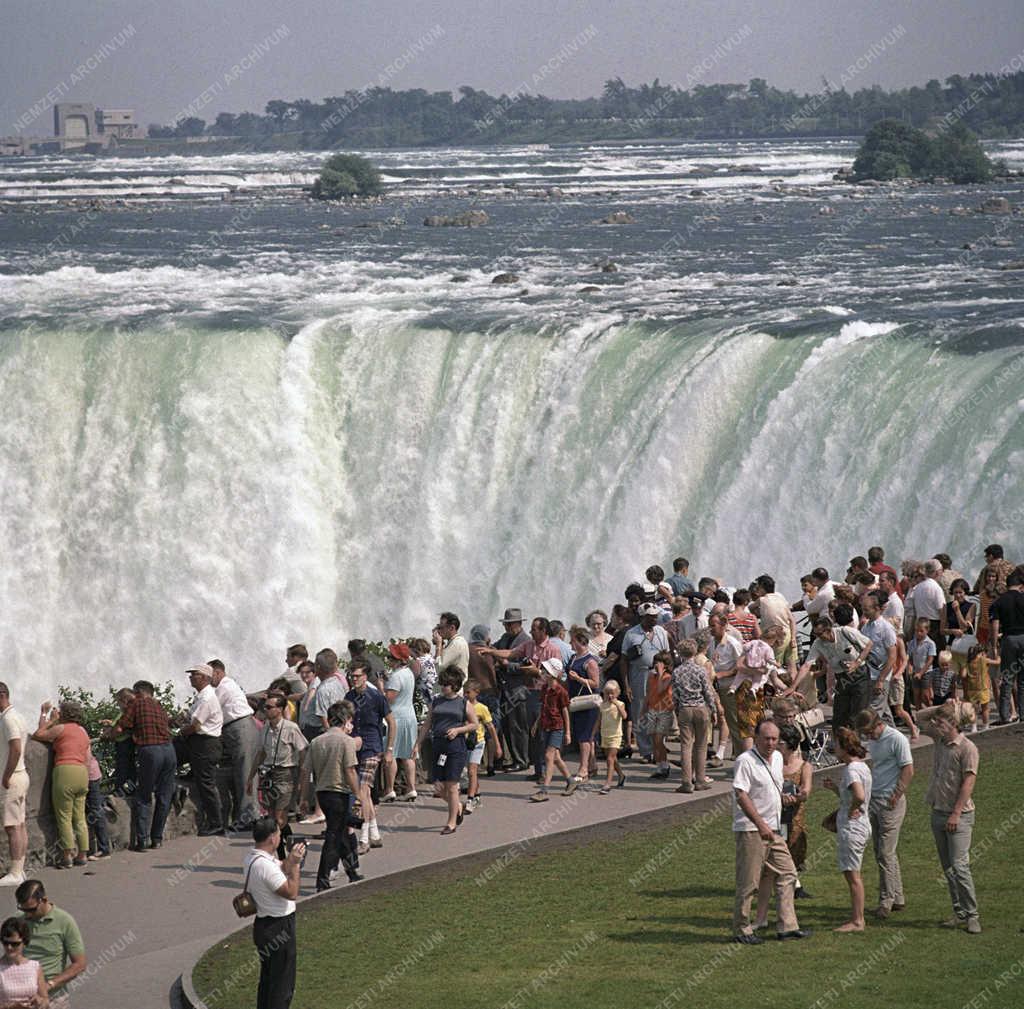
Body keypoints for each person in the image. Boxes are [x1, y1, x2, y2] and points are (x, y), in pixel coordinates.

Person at [731, 719, 809, 944]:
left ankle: (787, 925)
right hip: (751, 830)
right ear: (756, 738)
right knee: (749, 882)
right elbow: (741, 795)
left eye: (775, 739)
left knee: (788, 872)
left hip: (773, 828)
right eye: (766, 738)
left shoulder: (776, 759)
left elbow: (771, 789)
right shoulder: (745, 761)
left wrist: (785, 799)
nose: (771, 743)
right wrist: (760, 824)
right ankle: (742, 929)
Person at [917, 700, 981, 933]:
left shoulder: (967, 748)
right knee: (948, 868)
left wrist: (955, 813)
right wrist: (940, 708)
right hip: (938, 811)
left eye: (941, 721)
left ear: (954, 723)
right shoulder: (940, 740)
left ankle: (972, 915)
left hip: (959, 816)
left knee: (960, 866)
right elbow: (919, 718)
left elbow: (968, 783)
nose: (936, 724)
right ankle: (959, 912)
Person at [482, 616, 563, 782]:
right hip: (531, 693)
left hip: (546, 694)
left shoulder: (553, 649)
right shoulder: (528, 645)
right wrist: (491, 651)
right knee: (533, 731)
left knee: (543, 732)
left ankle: (544, 772)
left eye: (534, 629)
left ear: (543, 631)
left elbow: (559, 674)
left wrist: (538, 672)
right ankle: (538, 770)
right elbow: (511, 653)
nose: (531, 631)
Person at [103, 679, 176, 852]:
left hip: (150, 751)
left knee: (143, 796)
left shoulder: (136, 703)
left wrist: (109, 735)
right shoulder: (159, 705)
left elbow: (121, 728)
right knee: (164, 796)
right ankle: (157, 839)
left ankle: (142, 841)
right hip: (169, 751)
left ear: (138, 692)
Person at [856, 708, 914, 920]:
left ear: (877, 724)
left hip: (891, 802)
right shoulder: (875, 741)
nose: (867, 737)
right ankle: (897, 897)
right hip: (876, 799)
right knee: (884, 851)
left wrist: (897, 794)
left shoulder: (897, 739)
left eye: (868, 732)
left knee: (885, 853)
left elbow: (908, 769)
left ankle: (886, 901)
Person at [753, 723, 812, 927]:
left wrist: (795, 798)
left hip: (791, 822)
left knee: (786, 872)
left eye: (779, 742)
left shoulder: (803, 765)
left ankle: (784, 921)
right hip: (770, 823)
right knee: (770, 873)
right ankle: (770, 920)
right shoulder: (771, 762)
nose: (775, 745)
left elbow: (806, 792)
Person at [243, 817, 304, 1009]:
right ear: (272, 838)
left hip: (263, 926)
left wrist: (292, 858)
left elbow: (280, 868)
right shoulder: (266, 866)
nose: (280, 837)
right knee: (282, 985)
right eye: (278, 833)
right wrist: (295, 866)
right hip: (279, 928)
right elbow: (292, 892)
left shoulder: (253, 858)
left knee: (269, 980)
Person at [416, 669, 477, 834]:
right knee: (437, 786)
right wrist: (418, 744)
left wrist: (458, 730)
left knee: (451, 785)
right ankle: (457, 805)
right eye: (442, 684)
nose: (443, 687)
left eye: (446, 684)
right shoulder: (436, 702)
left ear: (455, 685)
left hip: (456, 746)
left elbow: (474, 724)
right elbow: (428, 724)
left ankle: (451, 822)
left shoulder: (463, 703)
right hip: (438, 745)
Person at [824, 727, 873, 933]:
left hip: (853, 828)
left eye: (836, 744)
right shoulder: (861, 767)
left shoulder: (852, 770)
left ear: (844, 747)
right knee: (853, 875)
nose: (834, 748)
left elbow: (860, 796)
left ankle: (857, 920)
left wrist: (853, 809)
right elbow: (853, 795)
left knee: (853, 876)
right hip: (861, 826)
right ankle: (857, 917)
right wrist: (836, 789)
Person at [309, 701, 362, 890]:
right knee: (334, 835)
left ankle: (352, 871)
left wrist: (301, 798)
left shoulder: (317, 741)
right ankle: (322, 879)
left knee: (340, 834)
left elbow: (307, 770)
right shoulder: (346, 741)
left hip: (322, 792)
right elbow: (350, 771)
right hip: (339, 792)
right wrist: (359, 796)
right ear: (345, 719)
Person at [345, 659, 395, 855]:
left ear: (365, 677)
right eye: (352, 676)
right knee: (363, 793)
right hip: (354, 749)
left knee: (363, 791)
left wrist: (389, 749)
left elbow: (392, 722)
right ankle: (374, 834)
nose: (354, 679)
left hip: (372, 748)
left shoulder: (376, 697)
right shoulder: (348, 697)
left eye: (357, 676)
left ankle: (364, 838)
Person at [31, 702, 90, 868]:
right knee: (80, 817)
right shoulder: (82, 732)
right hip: (81, 772)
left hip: (65, 770)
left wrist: (49, 718)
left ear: (64, 714)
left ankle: (67, 855)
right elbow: (87, 756)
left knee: (64, 816)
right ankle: (83, 854)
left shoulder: (61, 728)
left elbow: (38, 735)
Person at [252, 693, 307, 858]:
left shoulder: (291, 728)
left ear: (281, 709)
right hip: (268, 773)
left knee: (280, 819)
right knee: (271, 819)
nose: (266, 710)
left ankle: (283, 857)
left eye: (269, 707)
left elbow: (303, 751)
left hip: (286, 773)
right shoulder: (265, 727)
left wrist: (302, 777)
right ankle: (293, 848)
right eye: (265, 707)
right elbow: (261, 753)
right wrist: (250, 777)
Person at [208, 660, 260, 832]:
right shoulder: (228, 685)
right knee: (245, 772)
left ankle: (247, 819)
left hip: (240, 728)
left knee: (245, 773)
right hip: (241, 727)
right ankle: (251, 815)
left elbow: (210, 707)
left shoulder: (224, 687)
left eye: (209, 675)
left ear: (217, 672)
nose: (209, 680)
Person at [15, 879, 85, 1004]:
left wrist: (48, 986)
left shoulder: (64, 921)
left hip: (52, 996)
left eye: (31, 910)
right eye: (23, 909)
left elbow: (79, 964)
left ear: (44, 900)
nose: (27, 915)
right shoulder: (19, 920)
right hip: (21, 994)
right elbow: (10, 954)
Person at [619, 603, 670, 763]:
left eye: (655, 616)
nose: (654, 619)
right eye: (650, 616)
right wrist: (626, 685)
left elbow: (666, 654)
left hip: (658, 673)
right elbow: (624, 660)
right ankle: (646, 751)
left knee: (659, 710)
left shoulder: (661, 632)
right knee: (640, 711)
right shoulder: (631, 634)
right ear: (642, 617)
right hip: (639, 673)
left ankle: (658, 748)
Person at [178, 664, 224, 836]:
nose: (190, 677)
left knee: (206, 784)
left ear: (204, 678)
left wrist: (181, 732)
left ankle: (216, 823)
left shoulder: (206, 698)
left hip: (206, 744)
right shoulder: (202, 697)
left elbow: (195, 726)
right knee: (204, 781)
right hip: (203, 743)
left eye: (194, 674)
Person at [671, 639, 717, 793]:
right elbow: (708, 691)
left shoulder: (677, 671)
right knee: (701, 746)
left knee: (686, 745)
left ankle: (686, 782)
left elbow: (675, 695)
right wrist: (713, 710)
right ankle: (700, 780)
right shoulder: (700, 670)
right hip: (700, 707)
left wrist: (677, 710)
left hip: (685, 708)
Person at [490, 608, 531, 772]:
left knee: (518, 727)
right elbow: (495, 648)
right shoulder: (506, 638)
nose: (507, 627)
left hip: (518, 689)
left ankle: (522, 760)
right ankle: (515, 758)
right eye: (506, 624)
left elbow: (528, 666)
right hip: (505, 689)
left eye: (510, 624)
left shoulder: (525, 641)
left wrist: (508, 666)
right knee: (507, 725)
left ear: (519, 624)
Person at [530, 660, 573, 801]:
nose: (542, 673)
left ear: (552, 674)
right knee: (556, 758)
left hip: (557, 727)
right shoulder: (544, 689)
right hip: (545, 725)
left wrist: (567, 732)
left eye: (545, 671)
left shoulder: (561, 691)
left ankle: (545, 790)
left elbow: (565, 712)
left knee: (549, 756)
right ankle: (571, 781)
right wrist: (536, 724)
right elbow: (543, 708)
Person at [381, 643, 418, 802]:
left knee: (392, 754)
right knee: (408, 755)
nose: (388, 659)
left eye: (390, 657)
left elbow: (388, 698)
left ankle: (389, 789)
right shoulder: (408, 673)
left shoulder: (396, 676)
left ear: (397, 660)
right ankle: (411, 788)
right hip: (410, 716)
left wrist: (381, 685)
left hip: (396, 718)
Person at [0, 685, 29, 887]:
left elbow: (16, 747)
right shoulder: (18, 716)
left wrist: (6, 775)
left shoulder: (8, 719)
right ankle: (20, 869)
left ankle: (16, 872)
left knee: (12, 826)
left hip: (13, 777)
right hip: (22, 775)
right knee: (20, 824)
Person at [565, 628, 600, 786]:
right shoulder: (574, 657)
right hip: (576, 701)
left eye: (572, 640)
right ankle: (592, 766)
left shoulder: (590, 661)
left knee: (584, 737)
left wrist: (578, 678)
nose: (570, 643)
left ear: (580, 641)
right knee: (586, 736)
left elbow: (596, 683)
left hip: (587, 703)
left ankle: (583, 769)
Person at [708, 613, 745, 757]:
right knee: (721, 721)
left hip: (730, 687)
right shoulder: (711, 642)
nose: (711, 629)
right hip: (715, 687)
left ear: (723, 625)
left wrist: (725, 674)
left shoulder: (732, 643)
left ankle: (741, 756)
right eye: (710, 625)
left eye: (713, 626)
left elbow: (741, 665)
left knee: (734, 724)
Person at [990, 569, 1024, 725]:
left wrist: (995, 645)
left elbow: (995, 625)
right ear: (1021, 586)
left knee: (1008, 678)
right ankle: (1023, 714)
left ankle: (1004, 715)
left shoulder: (999, 602)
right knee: (1022, 680)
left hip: (1009, 640)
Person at [463, 681, 501, 813]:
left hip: (478, 742)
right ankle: (477, 796)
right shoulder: (462, 706)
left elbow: (491, 728)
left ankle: (470, 800)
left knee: (472, 771)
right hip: (466, 742)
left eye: (468, 692)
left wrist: (497, 746)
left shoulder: (482, 708)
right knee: (471, 772)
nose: (466, 695)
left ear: (476, 693)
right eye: (464, 692)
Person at [861, 591, 897, 726]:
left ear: (877, 608)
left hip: (881, 676)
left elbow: (892, 656)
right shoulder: (866, 627)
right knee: (884, 714)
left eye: (867, 609)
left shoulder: (886, 628)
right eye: (863, 609)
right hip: (869, 674)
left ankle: (860, 740)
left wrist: (881, 680)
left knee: (872, 712)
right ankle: (896, 739)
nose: (864, 612)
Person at [0, 916, 48, 1008]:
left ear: (25, 943)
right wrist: (9, 1007)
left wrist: (40, 1001)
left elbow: (45, 1000)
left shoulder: (35, 966)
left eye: (15, 944)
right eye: (6, 943)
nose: (9, 947)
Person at [641, 651, 675, 779]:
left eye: (659, 663)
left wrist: (661, 673)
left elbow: (661, 690)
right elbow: (649, 693)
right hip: (652, 710)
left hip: (664, 711)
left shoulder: (668, 677)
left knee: (659, 739)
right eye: (655, 662)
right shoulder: (651, 677)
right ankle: (660, 766)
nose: (656, 665)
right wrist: (644, 709)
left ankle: (665, 765)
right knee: (654, 740)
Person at [598, 681, 627, 794]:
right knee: (612, 759)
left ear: (617, 693)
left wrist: (616, 704)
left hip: (615, 735)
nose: (610, 696)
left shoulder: (620, 704)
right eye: (608, 693)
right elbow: (599, 720)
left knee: (609, 759)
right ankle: (621, 775)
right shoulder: (602, 705)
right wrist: (593, 734)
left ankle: (607, 783)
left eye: (612, 693)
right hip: (605, 734)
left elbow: (624, 716)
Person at [312, 649, 348, 735]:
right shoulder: (339, 681)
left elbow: (324, 718)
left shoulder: (322, 690)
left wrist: (331, 737)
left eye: (315, 664)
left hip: (328, 733)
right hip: (342, 729)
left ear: (319, 667)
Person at [84, 750, 110, 861]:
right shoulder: (81, 733)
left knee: (95, 810)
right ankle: (103, 848)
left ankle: (104, 848)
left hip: (89, 774)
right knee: (94, 809)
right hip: (90, 773)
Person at [907, 618, 938, 709]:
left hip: (926, 672)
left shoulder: (930, 643)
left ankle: (930, 711)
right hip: (916, 671)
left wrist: (921, 673)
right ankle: (918, 714)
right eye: (916, 631)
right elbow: (910, 657)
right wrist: (910, 665)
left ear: (927, 631)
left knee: (925, 695)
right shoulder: (912, 643)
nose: (918, 633)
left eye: (921, 631)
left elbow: (930, 660)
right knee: (916, 694)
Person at [961, 644, 993, 730]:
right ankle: (985, 725)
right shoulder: (984, 660)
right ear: (982, 653)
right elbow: (997, 662)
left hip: (972, 689)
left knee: (973, 709)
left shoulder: (968, 663)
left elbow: (963, 675)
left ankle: (973, 727)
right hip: (983, 688)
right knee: (985, 708)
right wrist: (999, 658)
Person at [434, 612, 470, 683]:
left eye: (441, 627)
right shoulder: (453, 642)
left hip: (454, 689)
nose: (438, 630)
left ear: (452, 628)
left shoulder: (457, 643)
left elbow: (439, 668)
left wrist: (438, 644)